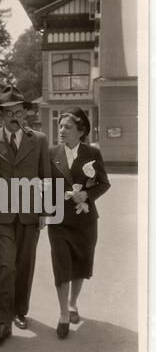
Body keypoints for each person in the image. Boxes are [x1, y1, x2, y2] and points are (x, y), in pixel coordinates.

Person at [0, 85, 51, 345]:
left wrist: (45, 212)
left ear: (25, 114)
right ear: (1, 115)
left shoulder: (40, 139)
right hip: (0, 215)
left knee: (24, 264)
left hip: (29, 214)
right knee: (4, 263)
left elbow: (45, 177)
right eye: (8, 112)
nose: (14, 116)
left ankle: (19, 311)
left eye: (18, 111)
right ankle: (2, 320)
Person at [47, 107, 111, 339]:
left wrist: (87, 194)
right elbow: (43, 183)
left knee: (80, 265)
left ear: (80, 130)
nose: (61, 130)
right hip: (58, 220)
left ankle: (73, 303)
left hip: (85, 221)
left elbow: (104, 183)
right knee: (62, 265)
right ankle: (64, 314)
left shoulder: (92, 153)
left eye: (68, 127)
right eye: (60, 126)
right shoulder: (51, 152)